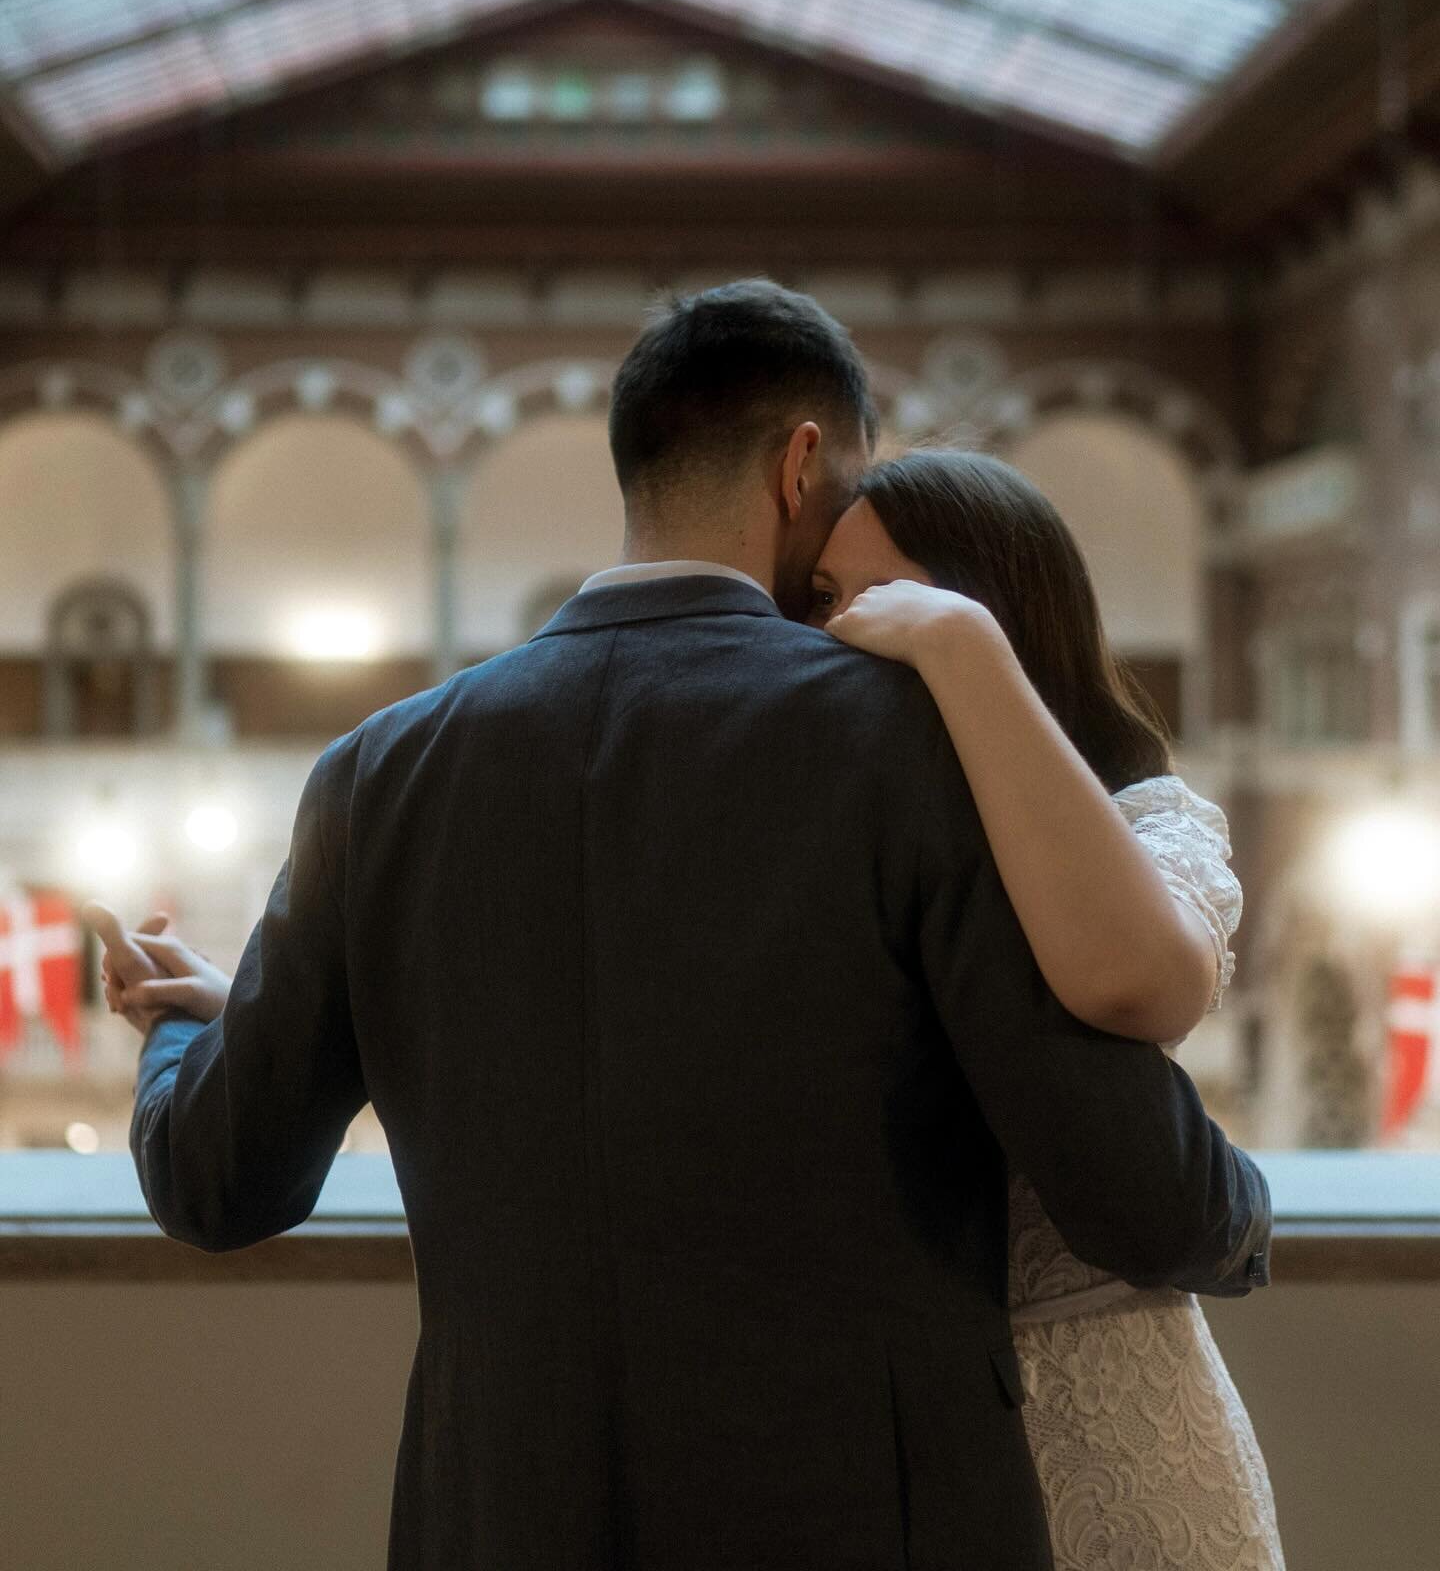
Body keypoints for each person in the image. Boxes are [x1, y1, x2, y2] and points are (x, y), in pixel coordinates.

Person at [92, 280, 1270, 1571]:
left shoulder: (378, 773)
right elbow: (1130, 1184)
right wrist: (1239, 1213)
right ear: (802, 462)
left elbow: (218, 1179)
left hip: (502, 1516)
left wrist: (168, 1032)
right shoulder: (914, 741)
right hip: (867, 1524)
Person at [814, 448, 1285, 1569]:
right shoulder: (840, 830)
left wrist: (959, 647)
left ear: (993, 607)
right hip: (891, 1450)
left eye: (870, 597)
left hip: (1121, 1430)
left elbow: (1137, 979)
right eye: (819, 599)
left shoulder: (1149, 814)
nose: (829, 631)